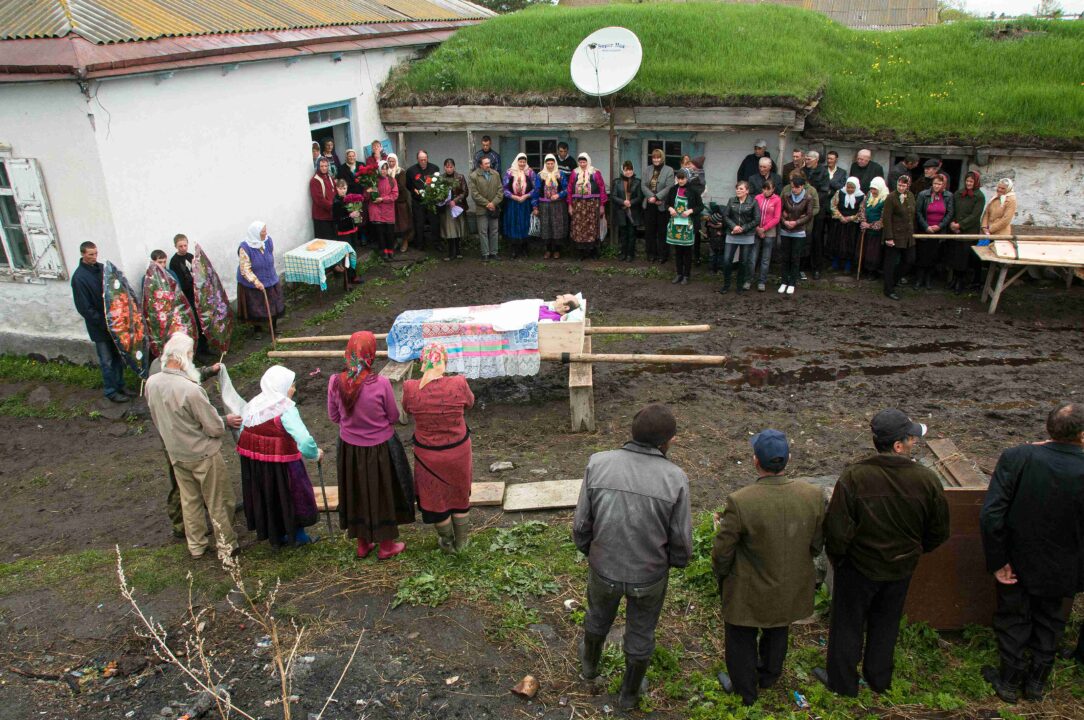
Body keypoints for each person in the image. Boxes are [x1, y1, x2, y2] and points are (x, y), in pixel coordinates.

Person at [813, 409, 949, 697]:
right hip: (900, 569)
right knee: (886, 623)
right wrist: (914, 551)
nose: (914, 442)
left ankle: (842, 682)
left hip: (858, 568)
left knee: (847, 625)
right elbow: (938, 531)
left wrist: (840, 559)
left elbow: (836, 529)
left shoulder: (855, 477)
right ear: (897, 446)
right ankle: (879, 679)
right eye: (911, 438)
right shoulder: (927, 481)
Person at [573, 404, 692, 711]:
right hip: (649, 576)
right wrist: (673, 563)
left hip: (604, 567)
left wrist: (591, 551)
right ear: (667, 442)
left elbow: (581, 524)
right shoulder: (675, 478)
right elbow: (681, 541)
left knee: (597, 618)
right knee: (641, 633)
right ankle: (629, 695)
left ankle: (589, 667)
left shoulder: (598, 463)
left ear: (632, 432)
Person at [980, 403, 1084, 703]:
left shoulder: (1018, 457)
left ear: (1049, 428)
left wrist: (998, 559)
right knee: (1051, 619)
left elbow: (991, 514)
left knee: (1013, 617)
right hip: (1066, 562)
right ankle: (1037, 682)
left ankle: (1009, 681)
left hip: (1017, 559)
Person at [712, 429, 824, 706]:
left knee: (740, 636)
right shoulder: (812, 495)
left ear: (755, 461)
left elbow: (722, 551)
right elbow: (816, 543)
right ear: (788, 459)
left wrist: (722, 576)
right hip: (790, 585)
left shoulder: (740, 501)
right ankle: (769, 675)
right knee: (778, 628)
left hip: (748, 588)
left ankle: (745, 690)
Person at [146, 332, 241, 559]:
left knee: (189, 501)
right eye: (190, 355)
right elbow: (214, 427)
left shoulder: (152, 382)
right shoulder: (190, 390)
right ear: (183, 356)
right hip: (203, 454)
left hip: (176, 453)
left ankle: (196, 545)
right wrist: (225, 421)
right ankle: (227, 546)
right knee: (219, 501)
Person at [328, 331, 414, 560]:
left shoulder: (335, 382)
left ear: (348, 352)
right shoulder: (381, 383)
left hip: (349, 450)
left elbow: (334, 416)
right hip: (381, 449)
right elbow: (393, 416)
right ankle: (386, 546)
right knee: (383, 492)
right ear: (371, 354)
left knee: (356, 491)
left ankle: (363, 544)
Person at [402, 342, 476, 554]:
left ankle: (447, 542)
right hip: (458, 451)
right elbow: (470, 403)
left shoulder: (410, 388)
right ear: (444, 361)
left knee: (436, 498)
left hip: (428, 455)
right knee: (459, 495)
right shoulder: (459, 383)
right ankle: (462, 544)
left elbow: (407, 409)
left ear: (423, 362)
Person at [236, 366, 322, 548]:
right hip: (283, 465)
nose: (293, 389)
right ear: (280, 386)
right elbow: (304, 439)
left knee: (270, 496)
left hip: (258, 467)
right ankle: (298, 537)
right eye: (291, 385)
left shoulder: (253, 405)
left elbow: (243, 431)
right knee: (291, 496)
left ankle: (278, 535)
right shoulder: (285, 409)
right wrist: (315, 454)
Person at [71, 241, 128, 402]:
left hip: (113, 324)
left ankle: (120, 385)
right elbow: (84, 308)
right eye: (90, 254)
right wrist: (103, 324)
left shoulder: (102, 269)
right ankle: (111, 391)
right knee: (107, 360)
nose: (94, 257)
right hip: (99, 327)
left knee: (117, 357)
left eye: (96, 253)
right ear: (83, 254)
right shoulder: (79, 278)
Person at [237, 221, 284, 331]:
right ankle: (257, 329)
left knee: (273, 302)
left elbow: (269, 254)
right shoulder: (245, 248)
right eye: (263, 232)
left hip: (270, 278)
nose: (265, 233)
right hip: (252, 283)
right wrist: (256, 282)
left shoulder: (268, 241)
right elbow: (245, 269)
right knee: (256, 307)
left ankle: (274, 327)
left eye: (265, 231)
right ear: (255, 233)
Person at [718, 181, 761, 294]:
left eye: (741, 189)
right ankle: (726, 285)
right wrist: (734, 226)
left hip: (746, 235)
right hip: (732, 233)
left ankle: (739, 286)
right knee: (727, 260)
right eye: (737, 188)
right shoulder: (732, 200)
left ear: (747, 191)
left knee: (743, 262)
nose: (738, 190)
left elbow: (757, 219)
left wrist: (743, 228)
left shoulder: (753, 202)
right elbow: (725, 216)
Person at [914, 173, 955, 289]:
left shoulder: (948, 196)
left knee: (934, 256)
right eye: (935, 183)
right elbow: (918, 212)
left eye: (939, 184)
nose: (936, 186)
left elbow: (950, 213)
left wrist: (940, 226)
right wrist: (926, 226)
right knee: (922, 255)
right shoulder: (923, 195)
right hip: (925, 231)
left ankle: (928, 279)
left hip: (938, 232)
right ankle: (919, 279)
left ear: (944, 185)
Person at [948, 170, 985, 293]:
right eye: (967, 181)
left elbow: (975, 215)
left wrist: (961, 225)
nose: (968, 183)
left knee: (964, 258)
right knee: (955, 256)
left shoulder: (979, 196)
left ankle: (961, 282)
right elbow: (952, 209)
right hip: (955, 230)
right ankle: (954, 279)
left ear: (976, 182)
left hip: (968, 232)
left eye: (971, 181)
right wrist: (953, 223)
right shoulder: (959, 193)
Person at [664, 168, 702, 285]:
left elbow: (700, 206)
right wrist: (670, 208)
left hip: (688, 225)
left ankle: (686, 275)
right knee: (678, 251)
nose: (680, 181)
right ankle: (679, 274)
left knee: (687, 251)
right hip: (676, 224)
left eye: (683, 178)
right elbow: (666, 204)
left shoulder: (694, 190)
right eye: (678, 178)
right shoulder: (673, 190)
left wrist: (690, 211)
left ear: (687, 178)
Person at [881, 175, 916, 301]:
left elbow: (912, 214)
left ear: (908, 186)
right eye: (899, 185)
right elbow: (887, 218)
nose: (900, 187)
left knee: (910, 259)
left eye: (903, 185)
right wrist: (889, 237)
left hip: (907, 235)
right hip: (894, 235)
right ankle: (888, 289)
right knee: (890, 263)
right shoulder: (891, 197)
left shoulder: (910, 196)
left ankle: (894, 280)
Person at [567, 152, 607, 259]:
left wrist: (602, 205)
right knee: (579, 228)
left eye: (584, 162)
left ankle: (593, 252)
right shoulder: (574, 173)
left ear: (588, 161)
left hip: (592, 204)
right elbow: (569, 189)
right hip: (578, 205)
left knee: (592, 227)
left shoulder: (595, 172)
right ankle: (581, 253)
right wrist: (570, 205)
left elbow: (602, 188)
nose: (582, 164)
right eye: (580, 162)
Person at [778, 176, 813, 295]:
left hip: (799, 231)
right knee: (785, 257)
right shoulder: (786, 196)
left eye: (796, 187)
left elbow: (809, 215)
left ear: (802, 186)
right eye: (792, 187)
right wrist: (784, 221)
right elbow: (779, 212)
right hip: (785, 230)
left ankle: (792, 282)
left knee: (795, 257)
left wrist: (796, 222)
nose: (794, 189)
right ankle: (784, 281)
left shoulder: (808, 198)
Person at [641, 149, 676, 264]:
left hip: (662, 205)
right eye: (654, 157)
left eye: (658, 157)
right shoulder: (647, 169)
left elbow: (669, 187)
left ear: (662, 158)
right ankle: (651, 254)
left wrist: (657, 197)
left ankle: (663, 255)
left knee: (662, 232)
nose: (656, 159)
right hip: (649, 204)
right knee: (650, 231)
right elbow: (643, 185)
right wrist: (652, 197)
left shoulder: (669, 170)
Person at [534, 154, 569, 260]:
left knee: (557, 227)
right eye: (548, 164)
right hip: (544, 205)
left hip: (558, 204)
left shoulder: (560, 174)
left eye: (552, 163)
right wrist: (535, 206)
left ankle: (557, 250)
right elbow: (536, 191)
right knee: (546, 227)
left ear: (555, 164)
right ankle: (548, 250)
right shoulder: (540, 175)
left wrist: (559, 195)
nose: (550, 166)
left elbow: (567, 189)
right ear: (545, 164)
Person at [503, 153, 536, 259]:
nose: (522, 164)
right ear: (516, 162)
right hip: (513, 203)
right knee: (514, 224)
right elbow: (504, 188)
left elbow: (536, 188)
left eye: (524, 162)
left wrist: (526, 196)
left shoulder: (530, 173)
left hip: (526, 204)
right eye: (520, 162)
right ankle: (514, 249)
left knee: (525, 224)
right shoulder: (509, 172)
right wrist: (513, 196)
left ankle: (525, 249)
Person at [469, 156, 503, 261]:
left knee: (494, 231)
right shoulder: (474, 176)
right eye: (486, 163)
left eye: (489, 163)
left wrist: (493, 203)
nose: (489, 165)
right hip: (482, 208)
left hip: (494, 208)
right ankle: (485, 254)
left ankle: (494, 252)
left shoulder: (496, 174)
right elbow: (474, 194)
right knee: (483, 232)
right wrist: (487, 204)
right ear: (480, 165)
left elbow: (500, 191)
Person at [332, 179, 364, 284]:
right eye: (340, 188)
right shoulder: (336, 202)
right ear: (336, 189)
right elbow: (337, 220)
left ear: (347, 188)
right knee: (346, 256)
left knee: (353, 253)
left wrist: (357, 216)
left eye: (344, 188)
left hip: (352, 230)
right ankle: (347, 281)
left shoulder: (349, 199)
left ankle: (353, 276)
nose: (342, 190)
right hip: (343, 233)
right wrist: (350, 216)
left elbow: (353, 213)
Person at [828, 176, 864, 273]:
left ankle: (847, 266)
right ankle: (835, 264)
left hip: (852, 225)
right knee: (836, 243)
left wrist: (851, 218)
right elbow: (833, 205)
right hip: (839, 223)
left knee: (849, 245)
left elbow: (861, 211)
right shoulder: (840, 193)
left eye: (852, 188)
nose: (850, 189)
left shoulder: (861, 196)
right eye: (848, 187)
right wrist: (841, 217)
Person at [407, 151, 440, 251]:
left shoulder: (434, 168)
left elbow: (438, 182)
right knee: (419, 223)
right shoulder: (411, 170)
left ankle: (437, 243)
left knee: (435, 222)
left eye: (425, 159)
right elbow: (408, 184)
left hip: (431, 201)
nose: (423, 161)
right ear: (417, 159)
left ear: (427, 158)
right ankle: (420, 244)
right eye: (421, 160)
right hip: (418, 201)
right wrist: (414, 190)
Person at [805, 151, 831, 279]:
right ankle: (802, 264)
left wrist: (811, 200)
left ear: (816, 160)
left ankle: (816, 267)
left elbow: (824, 192)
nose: (806, 161)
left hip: (818, 210)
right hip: (802, 209)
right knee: (803, 237)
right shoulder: (803, 170)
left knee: (816, 238)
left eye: (809, 159)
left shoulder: (823, 172)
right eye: (806, 158)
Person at [610, 160, 643, 262]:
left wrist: (630, 202)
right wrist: (623, 202)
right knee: (623, 234)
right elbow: (613, 196)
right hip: (621, 211)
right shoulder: (617, 182)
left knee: (632, 233)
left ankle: (630, 254)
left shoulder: (638, 182)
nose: (628, 172)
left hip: (633, 211)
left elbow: (640, 197)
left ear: (633, 170)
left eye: (630, 169)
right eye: (626, 170)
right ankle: (623, 253)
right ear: (623, 170)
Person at [366, 161, 399, 262]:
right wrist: (368, 192)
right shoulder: (373, 180)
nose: (384, 171)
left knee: (389, 232)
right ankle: (383, 251)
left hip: (388, 210)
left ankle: (390, 250)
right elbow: (366, 196)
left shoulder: (392, 180)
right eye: (382, 168)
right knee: (380, 233)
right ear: (379, 169)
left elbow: (395, 195)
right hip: (376, 210)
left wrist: (382, 199)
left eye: (385, 168)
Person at [753, 180, 781, 292]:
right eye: (764, 189)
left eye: (768, 189)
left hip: (769, 231)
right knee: (753, 257)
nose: (765, 191)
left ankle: (762, 281)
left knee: (765, 258)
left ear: (773, 189)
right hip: (756, 229)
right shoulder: (757, 198)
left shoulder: (777, 200)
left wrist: (764, 229)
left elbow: (776, 218)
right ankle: (748, 279)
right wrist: (757, 228)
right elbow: (753, 213)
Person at [858, 177, 888, 278]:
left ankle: (872, 271)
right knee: (865, 250)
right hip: (866, 229)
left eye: (875, 189)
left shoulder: (886, 198)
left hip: (877, 232)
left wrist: (870, 225)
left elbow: (884, 218)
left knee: (874, 252)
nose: (872, 191)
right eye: (871, 188)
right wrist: (863, 221)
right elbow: (862, 207)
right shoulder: (869, 195)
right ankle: (863, 269)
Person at [439, 158, 468, 261]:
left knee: (458, 229)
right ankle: (451, 253)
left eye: (451, 167)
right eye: (447, 167)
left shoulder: (460, 177)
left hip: (457, 207)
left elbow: (465, 192)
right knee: (449, 230)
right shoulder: (441, 178)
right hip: (446, 208)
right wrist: (441, 199)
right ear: (444, 167)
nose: (449, 169)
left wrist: (455, 200)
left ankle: (458, 251)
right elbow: (437, 192)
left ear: (454, 167)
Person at [386, 154, 414, 254]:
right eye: (389, 161)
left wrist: (388, 185)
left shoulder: (400, 172)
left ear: (396, 161)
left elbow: (401, 186)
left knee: (403, 223)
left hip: (400, 201)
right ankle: (395, 241)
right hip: (390, 202)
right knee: (393, 224)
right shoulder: (385, 172)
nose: (391, 163)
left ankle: (405, 241)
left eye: (393, 161)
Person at [310, 157, 336, 240]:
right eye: (322, 166)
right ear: (318, 166)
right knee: (324, 241)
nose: (324, 168)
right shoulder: (315, 180)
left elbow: (335, 192)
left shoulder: (329, 177)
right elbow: (319, 199)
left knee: (333, 239)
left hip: (331, 214)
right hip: (321, 217)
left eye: (326, 166)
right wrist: (333, 207)